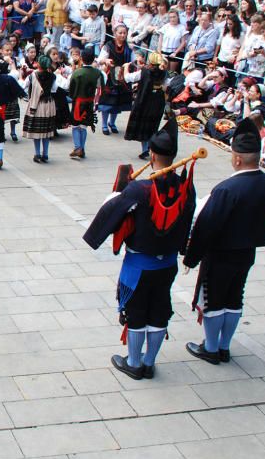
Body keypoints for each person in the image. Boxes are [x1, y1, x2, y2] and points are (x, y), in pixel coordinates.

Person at [83, 117, 197, 380]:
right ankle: (149, 361)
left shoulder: (140, 189)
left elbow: (112, 210)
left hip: (138, 265)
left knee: (136, 312)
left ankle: (134, 363)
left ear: (152, 155)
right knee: (159, 310)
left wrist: (119, 195)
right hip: (167, 264)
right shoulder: (186, 189)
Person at [183, 116, 265, 365]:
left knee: (214, 300)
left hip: (220, 253)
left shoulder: (226, 189)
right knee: (234, 297)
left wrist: (191, 256)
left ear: (238, 158)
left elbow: (205, 224)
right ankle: (224, 346)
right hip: (247, 252)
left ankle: (210, 347)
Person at [124, 52, 168, 159]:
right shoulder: (164, 73)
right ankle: (149, 147)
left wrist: (126, 67)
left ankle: (145, 149)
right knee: (153, 126)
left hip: (145, 102)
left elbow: (128, 78)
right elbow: (166, 86)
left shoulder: (145, 72)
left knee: (144, 126)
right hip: (157, 102)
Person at [67, 47, 102, 159]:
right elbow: (99, 87)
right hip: (89, 102)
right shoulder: (97, 73)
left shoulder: (77, 73)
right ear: (93, 59)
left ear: (82, 58)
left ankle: (78, 147)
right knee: (84, 126)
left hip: (78, 102)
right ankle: (82, 148)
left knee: (75, 125)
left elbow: (70, 88)